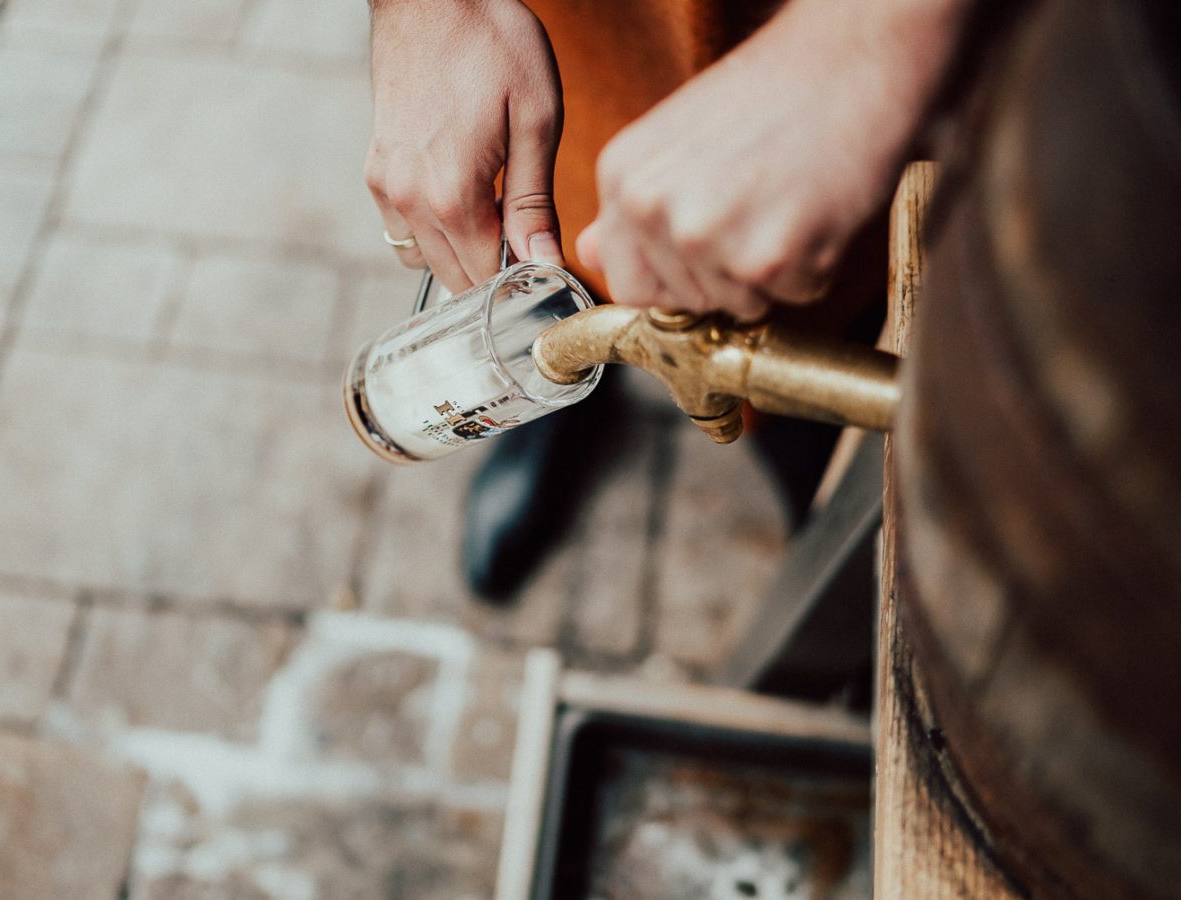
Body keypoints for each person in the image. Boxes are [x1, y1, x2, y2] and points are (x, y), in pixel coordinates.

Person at [365, 0, 969, 598]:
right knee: (565, 203)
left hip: (844, 95)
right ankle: (563, 386)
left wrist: (872, 45)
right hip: (602, 38)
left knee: (822, 308)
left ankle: (803, 451)